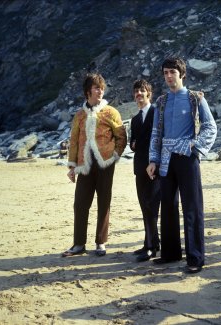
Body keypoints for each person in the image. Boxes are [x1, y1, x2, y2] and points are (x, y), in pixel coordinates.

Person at [146, 57, 217, 274]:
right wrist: (153, 159)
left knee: (192, 207)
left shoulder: (196, 98)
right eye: (166, 72)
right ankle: (170, 254)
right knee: (167, 206)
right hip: (166, 158)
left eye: (172, 72)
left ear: (182, 74)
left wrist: (194, 147)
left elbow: (210, 126)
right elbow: (156, 133)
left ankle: (195, 258)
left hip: (187, 158)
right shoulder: (161, 102)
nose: (169, 76)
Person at [62, 73, 127, 257]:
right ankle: (78, 244)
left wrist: (114, 155)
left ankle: (101, 242)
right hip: (85, 165)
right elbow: (74, 140)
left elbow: (121, 136)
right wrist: (72, 166)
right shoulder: (80, 115)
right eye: (97, 87)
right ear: (87, 91)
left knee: (104, 202)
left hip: (106, 164)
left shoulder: (111, 112)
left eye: (102, 88)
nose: (100, 91)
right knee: (80, 203)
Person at [130, 80, 161, 262]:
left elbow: (156, 139)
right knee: (144, 207)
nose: (139, 94)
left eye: (142, 91)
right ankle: (150, 242)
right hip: (139, 167)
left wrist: (138, 144)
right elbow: (133, 143)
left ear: (149, 93)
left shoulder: (156, 113)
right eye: (136, 91)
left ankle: (151, 247)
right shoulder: (134, 119)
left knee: (152, 206)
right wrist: (134, 144)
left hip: (153, 167)